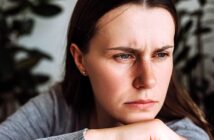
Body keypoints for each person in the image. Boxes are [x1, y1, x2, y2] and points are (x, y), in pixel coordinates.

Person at [0, 0, 213, 139]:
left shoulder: (184, 135)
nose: (148, 80)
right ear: (80, 59)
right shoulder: (61, 106)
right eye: (124, 56)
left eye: (161, 54)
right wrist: (110, 137)